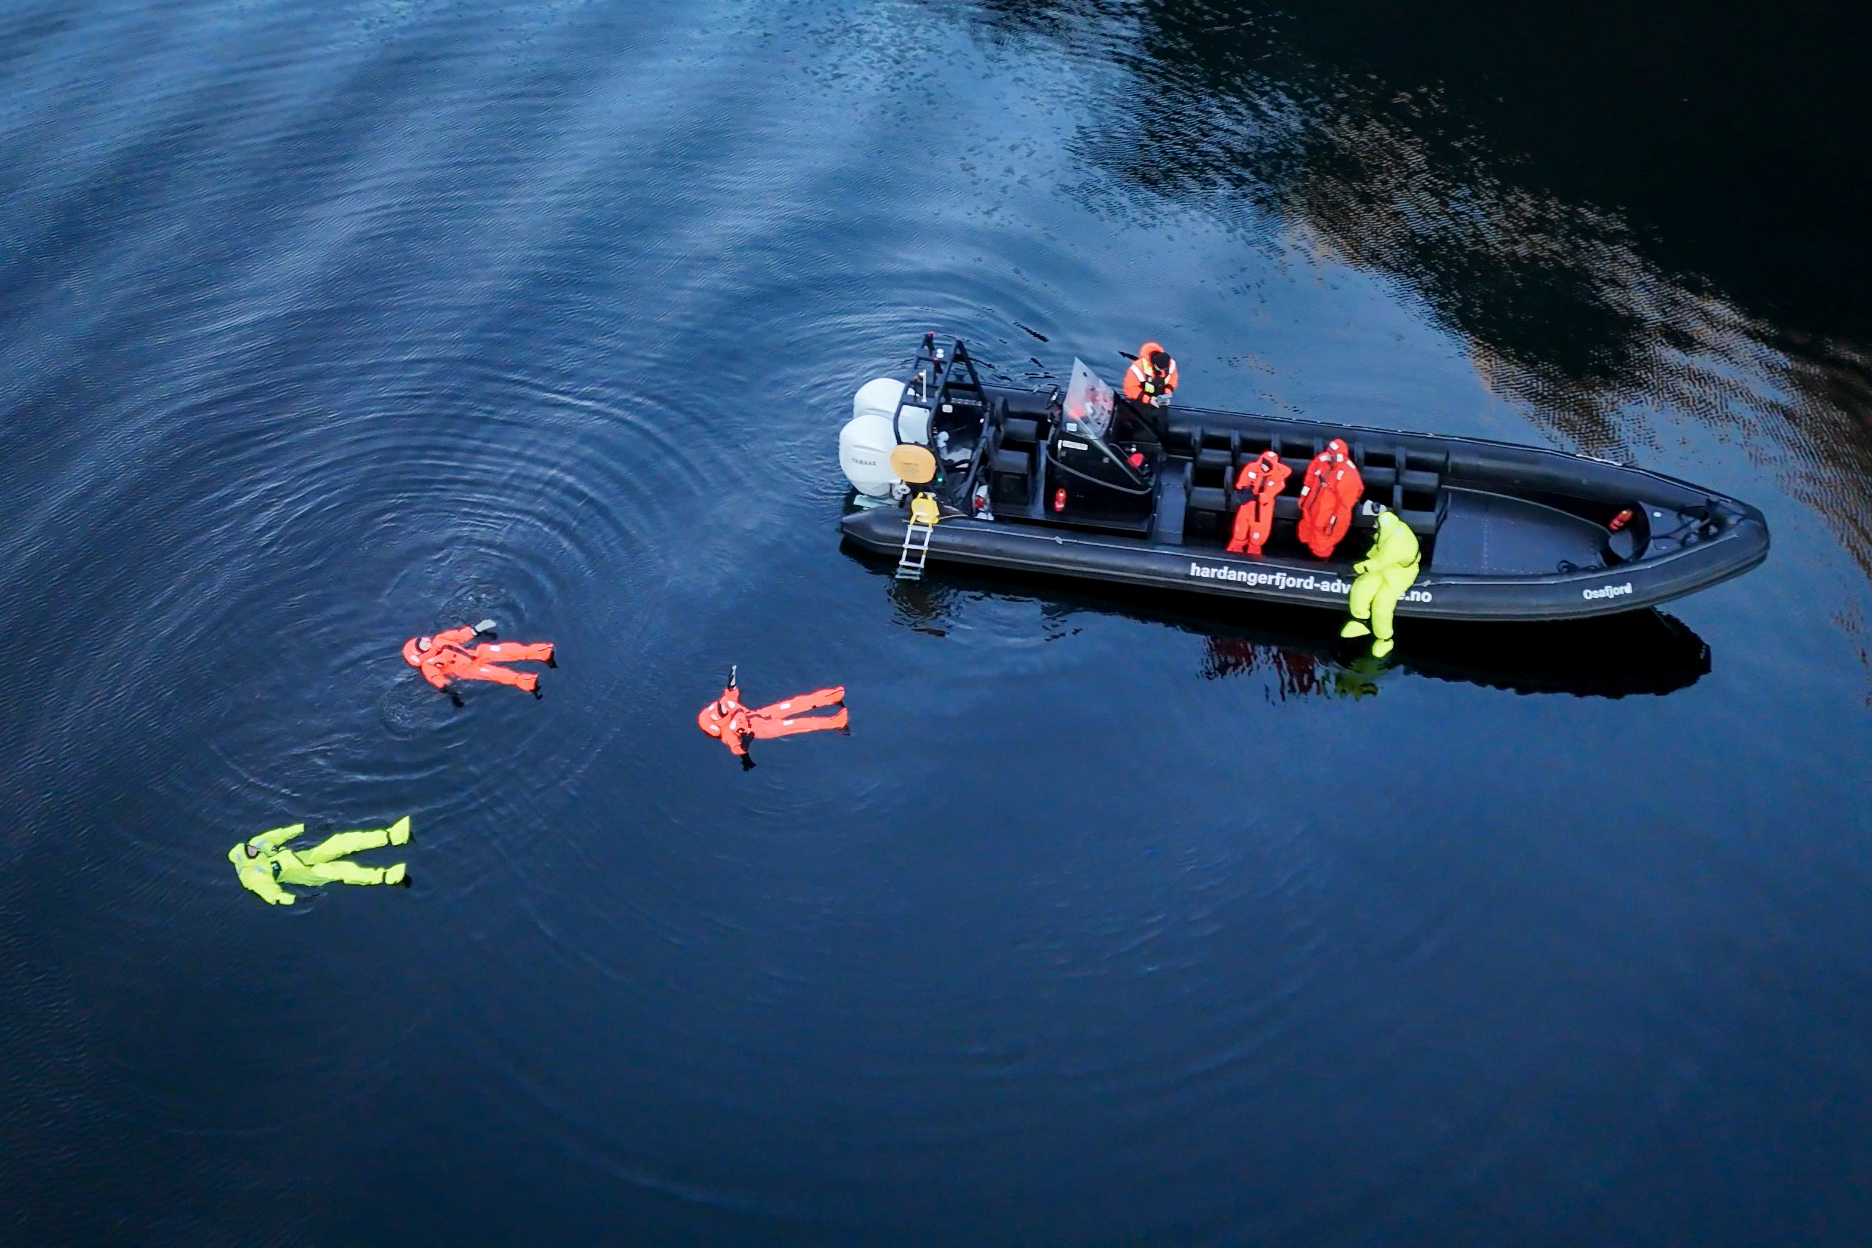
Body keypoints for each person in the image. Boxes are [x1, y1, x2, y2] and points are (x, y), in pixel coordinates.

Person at [230, 817, 412, 906]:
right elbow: (270, 893)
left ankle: (391, 835)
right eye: (251, 851)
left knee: (340, 842)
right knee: (338, 870)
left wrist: (306, 828)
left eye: (251, 847)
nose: (254, 849)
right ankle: (385, 876)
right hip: (303, 874)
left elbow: (281, 834)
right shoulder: (252, 875)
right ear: (247, 858)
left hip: (304, 857)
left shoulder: (257, 843)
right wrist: (294, 899)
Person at [699, 669, 848, 770]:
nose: (725, 707)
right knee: (795, 724)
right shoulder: (728, 734)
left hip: (760, 715)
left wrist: (731, 686)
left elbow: (730, 698)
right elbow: (737, 748)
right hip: (763, 730)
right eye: (723, 710)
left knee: (793, 704)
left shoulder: (725, 705)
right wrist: (746, 755)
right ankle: (835, 723)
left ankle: (830, 697)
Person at [1341, 501, 1421, 658]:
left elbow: (1380, 561)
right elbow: (1379, 553)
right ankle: (1360, 621)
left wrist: (1354, 569)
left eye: (1374, 522)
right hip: (1386, 565)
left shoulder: (1394, 544)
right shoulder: (1389, 527)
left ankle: (1384, 639)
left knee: (1382, 604)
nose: (1373, 526)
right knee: (1362, 586)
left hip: (1400, 573)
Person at [402, 620, 555, 700]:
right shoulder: (428, 665)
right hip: (467, 669)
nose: (426, 641)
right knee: (496, 673)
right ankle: (525, 681)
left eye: (423, 640)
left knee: (506, 649)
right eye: (423, 644)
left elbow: (458, 635)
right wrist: (447, 686)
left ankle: (540, 652)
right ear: (420, 653)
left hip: (475, 653)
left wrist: (475, 630)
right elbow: (435, 677)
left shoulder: (439, 639)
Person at [1296, 438, 1363, 558]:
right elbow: (1310, 476)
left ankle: (1318, 564)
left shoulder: (1349, 476)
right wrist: (1304, 496)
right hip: (1310, 511)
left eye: (1331, 455)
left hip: (1325, 521)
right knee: (1305, 534)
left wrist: (1332, 526)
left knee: (1321, 546)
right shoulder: (1323, 460)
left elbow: (1343, 510)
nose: (1328, 456)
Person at [1225, 448, 1291, 555]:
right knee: (1239, 532)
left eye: (1268, 464)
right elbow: (1241, 483)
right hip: (1246, 505)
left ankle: (1253, 558)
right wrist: (1243, 490)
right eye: (1263, 463)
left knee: (1257, 537)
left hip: (1262, 509)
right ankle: (1234, 553)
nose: (1264, 466)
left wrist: (1255, 497)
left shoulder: (1278, 478)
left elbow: (1269, 494)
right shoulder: (1251, 467)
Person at [1122, 342, 1178, 408]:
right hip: (1140, 400)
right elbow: (1130, 389)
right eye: (1160, 369)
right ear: (1154, 364)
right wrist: (1149, 400)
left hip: (1159, 399)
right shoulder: (1137, 369)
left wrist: (1167, 394)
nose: (1162, 371)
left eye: (1164, 369)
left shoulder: (1171, 364)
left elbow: (1173, 380)